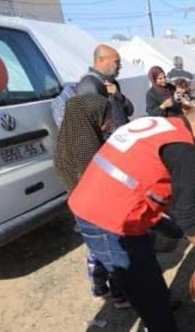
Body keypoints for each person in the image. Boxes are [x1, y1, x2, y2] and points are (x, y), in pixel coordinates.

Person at [68, 103, 195, 332]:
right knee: (142, 283)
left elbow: (149, 176)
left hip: (109, 200)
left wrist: (165, 222)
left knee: (147, 269)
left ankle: (160, 305)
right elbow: (187, 213)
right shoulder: (184, 149)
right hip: (106, 217)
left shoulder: (164, 124)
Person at [53, 94, 129, 308]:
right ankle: (119, 296)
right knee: (111, 248)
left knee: (96, 249)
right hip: (95, 208)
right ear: (92, 116)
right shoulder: (85, 149)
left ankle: (99, 287)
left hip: (82, 207)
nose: (110, 123)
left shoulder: (72, 139)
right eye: (106, 117)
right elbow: (99, 182)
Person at [77, 44, 134, 135]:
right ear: (101, 60)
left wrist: (119, 96)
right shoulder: (90, 84)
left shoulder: (112, 83)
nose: (119, 66)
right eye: (116, 62)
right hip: (109, 144)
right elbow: (89, 127)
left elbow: (130, 111)